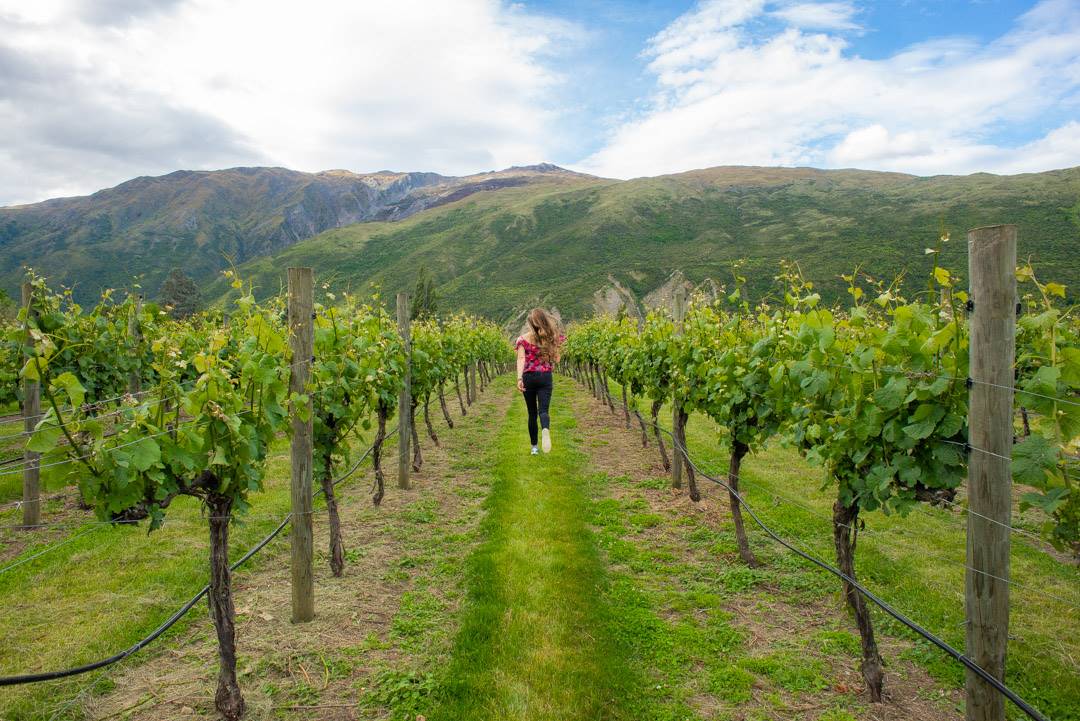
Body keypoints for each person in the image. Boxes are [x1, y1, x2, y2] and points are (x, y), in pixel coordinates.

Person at [515, 308, 564, 455]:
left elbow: (521, 359)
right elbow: (557, 359)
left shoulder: (522, 340)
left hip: (529, 378)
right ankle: (545, 429)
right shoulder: (549, 339)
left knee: (531, 413)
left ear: (531, 324)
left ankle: (534, 447)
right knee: (543, 410)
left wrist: (519, 378)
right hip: (545, 377)